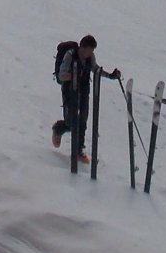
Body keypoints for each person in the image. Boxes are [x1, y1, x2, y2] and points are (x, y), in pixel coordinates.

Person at [50, 35, 120, 164]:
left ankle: (78, 151)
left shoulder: (90, 58)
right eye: (87, 50)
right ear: (81, 47)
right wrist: (73, 75)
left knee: (82, 119)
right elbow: (61, 74)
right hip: (70, 91)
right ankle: (59, 128)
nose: (89, 54)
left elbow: (95, 69)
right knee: (72, 121)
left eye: (91, 51)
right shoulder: (70, 55)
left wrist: (110, 75)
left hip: (83, 90)